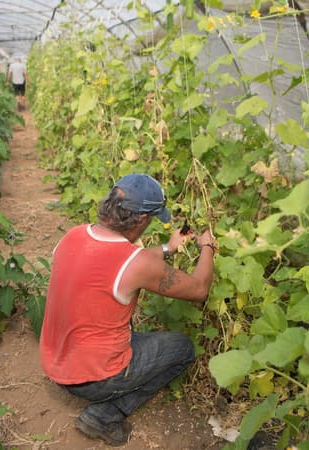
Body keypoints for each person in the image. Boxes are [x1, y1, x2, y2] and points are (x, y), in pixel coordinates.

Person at [39, 173, 217, 447]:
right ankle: (104, 415)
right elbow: (199, 289)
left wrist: (168, 248)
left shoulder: (74, 235)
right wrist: (207, 247)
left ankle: (102, 399)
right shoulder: (136, 264)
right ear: (143, 219)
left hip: (56, 361)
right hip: (92, 378)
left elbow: (123, 261)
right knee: (182, 349)